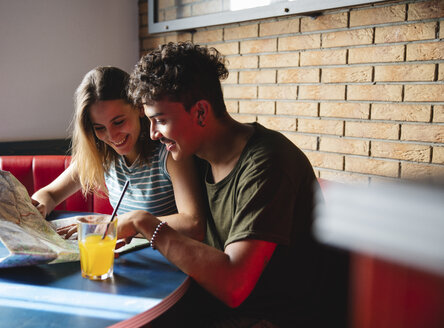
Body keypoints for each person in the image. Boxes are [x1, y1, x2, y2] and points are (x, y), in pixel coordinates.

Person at [116, 41, 334, 328]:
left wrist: (146, 223)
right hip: (219, 307)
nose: (154, 134)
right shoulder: (195, 154)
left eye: (161, 121)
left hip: (275, 317)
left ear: (201, 112)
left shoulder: (268, 163)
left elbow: (234, 285)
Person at [31, 66, 205, 241]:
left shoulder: (169, 152)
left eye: (119, 122)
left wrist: (118, 224)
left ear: (139, 108)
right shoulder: (101, 153)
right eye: (99, 128)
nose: (112, 136)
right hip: (127, 260)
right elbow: (50, 195)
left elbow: (193, 224)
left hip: (167, 262)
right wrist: (38, 207)